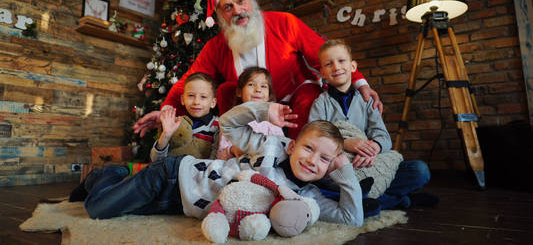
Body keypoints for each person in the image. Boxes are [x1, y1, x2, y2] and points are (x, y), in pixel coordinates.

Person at [133, 0, 382, 140]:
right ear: (220, 15)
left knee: (309, 95)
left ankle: (299, 162)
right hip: (249, 107)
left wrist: (361, 83)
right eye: (227, 7)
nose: (237, 11)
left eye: (241, 1)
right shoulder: (216, 46)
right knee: (226, 90)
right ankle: (239, 155)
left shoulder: (285, 22)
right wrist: (165, 109)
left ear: (250, 1)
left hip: (293, 97)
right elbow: (191, 80)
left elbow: (326, 54)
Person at [71, 101, 366, 227]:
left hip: (178, 206)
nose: (313, 160)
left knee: (116, 209)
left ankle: (113, 180)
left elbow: (352, 219)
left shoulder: (307, 199)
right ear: (292, 146)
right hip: (173, 175)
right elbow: (226, 123)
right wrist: (263, 111)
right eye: (309, 148)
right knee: (96, 210)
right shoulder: (270, 147)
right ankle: (111, 172)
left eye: (324, 158)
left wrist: (345, 170)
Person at [309, 39, 438, 210]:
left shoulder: (366, 100)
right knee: (319, 182)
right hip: (341, 166)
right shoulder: (321, 103)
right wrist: (346, 143)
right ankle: (393, 200)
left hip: (369, 162)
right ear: (322, 73)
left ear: (353, 67)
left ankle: (368, 201)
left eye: (341, 61)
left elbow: (383, 136)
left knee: (420, 170)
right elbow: (314, 137)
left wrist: (373, 148)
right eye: (328, 63)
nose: (336, 67)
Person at [216, 66, 284, 160]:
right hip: (235, 167)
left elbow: (281, 149)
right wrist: (232, 151)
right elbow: (220, 156)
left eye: (263, 86)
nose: (258, 90)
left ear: (269, 96)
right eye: (251, 84)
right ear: (239, 92)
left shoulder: (272, 122)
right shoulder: (231, 119)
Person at [150, 72, 219, 161]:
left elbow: (216, 160)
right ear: (183, 99)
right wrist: (166, 135)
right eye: (191, 95)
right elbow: (155, 159)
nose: (196, 102)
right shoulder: (176, 123)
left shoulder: (218, 126)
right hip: (173, 171)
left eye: (203, 97)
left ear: (213, 103)